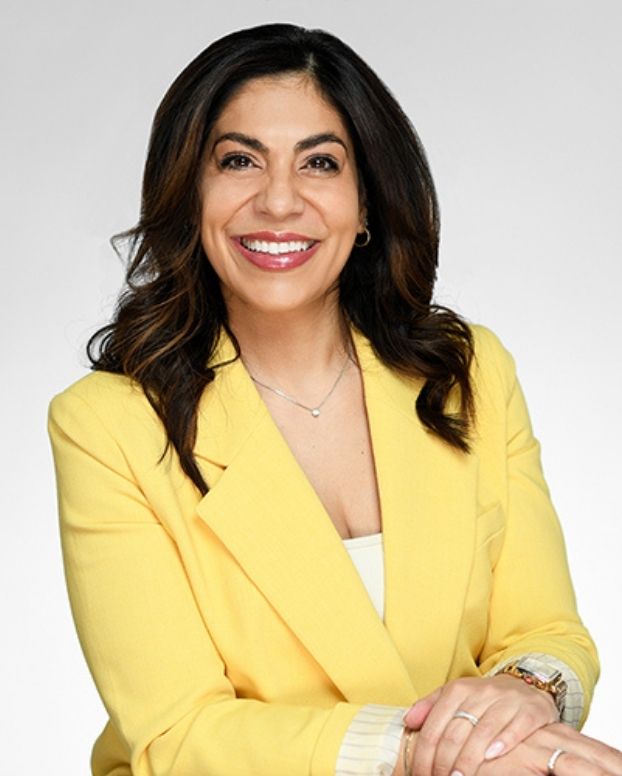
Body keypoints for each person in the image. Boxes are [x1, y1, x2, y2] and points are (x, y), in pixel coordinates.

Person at [48, 23, 622, 776]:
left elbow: (547, 630)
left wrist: (526, 693)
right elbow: (176, 736)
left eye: (319, 162)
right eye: (238, 160)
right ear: (190, 193)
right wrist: (436, 754)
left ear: (368, 204)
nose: (278, 200)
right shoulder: (107, 424)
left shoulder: (470, 372)